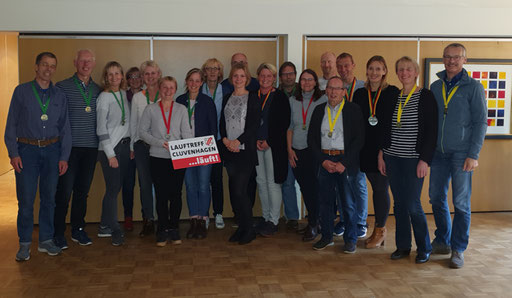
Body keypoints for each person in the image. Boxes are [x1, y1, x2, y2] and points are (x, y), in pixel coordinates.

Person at [5, 52, 71, 261]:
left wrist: (64, 157)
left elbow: (65, 129)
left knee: (49, 199)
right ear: (36, 67)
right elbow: (11, 125)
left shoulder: (59, 95)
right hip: (27, 151)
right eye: (44, 65)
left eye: (52, 66)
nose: (48, 69)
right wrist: (13, 153)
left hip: (52, 151)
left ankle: (45, 240)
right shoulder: (22, 91)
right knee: (25, 201)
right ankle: (24, 244)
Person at [429, 43, 487, 269]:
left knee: (461, 203)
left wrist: (474, 154)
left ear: (465, 60)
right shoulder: (435, 86)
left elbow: (481, 122)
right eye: (447, 57)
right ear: (443, 59)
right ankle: (442, 239)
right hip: (438, 153)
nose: (451, 61)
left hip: (462, 154)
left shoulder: (474, 87)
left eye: (456, 57)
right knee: (436, 198)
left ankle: (458, 248)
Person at [377, 56, 438, 264]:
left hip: (414, 160)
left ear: (416, 72)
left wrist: (425, 160)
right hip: (393, 157)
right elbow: (385, 128)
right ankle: (403, 246)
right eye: (400, 69)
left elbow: (431, 132)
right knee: (400, 204)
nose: (404, 73)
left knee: (413, 204)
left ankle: (424, 247)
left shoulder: (426, 96)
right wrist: (382, 153)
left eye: (408, 69)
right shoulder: (393, 96)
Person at [308, 76, 364, 253]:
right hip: (325, 161)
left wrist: (344, 163)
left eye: (337, 89)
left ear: (344, 92)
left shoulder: (353, 110)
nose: (333, 92)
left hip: (344, 162)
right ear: (326, 91)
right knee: (325, 203)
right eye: (330, 88)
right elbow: (312, 140)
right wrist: (323, 160)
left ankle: (350, 239)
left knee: (347, 203)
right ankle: (326, 237)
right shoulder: (318, 111)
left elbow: (359, 139)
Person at [53, 49, 101, 249]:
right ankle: (57, 233)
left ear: (94, 63)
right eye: (82, 61)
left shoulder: (99, 90)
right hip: (68, 150)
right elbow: (57, 119)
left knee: (82, 192)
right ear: (75, 63)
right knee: (64, 192)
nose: (85, 64)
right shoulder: (62, 87)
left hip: (91, 149)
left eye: (89, 61)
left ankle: (78, 229)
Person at [139, 76, 193, 247]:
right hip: (157, 157)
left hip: (178, 157)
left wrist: (182, 146)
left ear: (175, 89)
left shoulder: (182, 109)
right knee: (161, 195)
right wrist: (160, 143)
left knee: (176, 194)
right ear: (159, 89)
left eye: (171, 87)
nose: (168, 91)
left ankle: (174, 228)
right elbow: (142, 132)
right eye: (165, 87)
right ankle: (162, 229)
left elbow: (188, 134)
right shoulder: (150, 109)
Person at [353, 56, 399, 248]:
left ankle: (380, 230)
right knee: (367, 188)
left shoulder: (392, 92)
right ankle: (369, 228)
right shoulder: (360, 94)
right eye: (371, 68)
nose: (374, 72)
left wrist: (383, 151)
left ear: (384, 71)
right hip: (363, 148)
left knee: (380, 189)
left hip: (383, 149)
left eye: (378, 69)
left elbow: (391, 124)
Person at [219, 62, 261, 245]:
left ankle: (249, 229)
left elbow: (254, 125)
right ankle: (243, 228)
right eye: (235, 76)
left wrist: (238, 141)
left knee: (240, 190)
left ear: (247, 78)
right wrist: (226, 140)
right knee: (234, 192)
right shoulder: (227, 96)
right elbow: (222, 121)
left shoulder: (253, 97)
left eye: (242, 76)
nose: (238, 79)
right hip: (229, 151)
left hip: (245, 152)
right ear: (231, 78)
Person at [176, 68, 217, 239]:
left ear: (202, 82)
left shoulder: (207, 102)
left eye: (197, 80)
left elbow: (213, 128)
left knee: (203, 184)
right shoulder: (179, 100)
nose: (194, 84)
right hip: (185, 148)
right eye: (191, 80)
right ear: (186, 81)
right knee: (190, 185)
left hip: (203, 148)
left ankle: (203, 219)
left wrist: (212, 149)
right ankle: (193, 219)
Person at [287, 69, 326, 242]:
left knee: (315, 188)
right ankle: (314, 221)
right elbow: (289, 128)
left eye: (310, 79)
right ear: (299, 82)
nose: (306, 82)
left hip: (315, 150)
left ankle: (314, 222)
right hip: (296, 150)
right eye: (303, 80)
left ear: (316, 82)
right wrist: (289, 150)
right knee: (304, 187)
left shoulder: (323, 100)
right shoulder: (293, 100)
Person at [334, 52, 369, 238]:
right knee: (341, 183)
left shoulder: (363, 87)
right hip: (338, 143)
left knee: (358, 183)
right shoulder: (335, 88)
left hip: (358, 144)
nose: (343, 69)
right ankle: (344, 219)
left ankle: (361, 222)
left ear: (353, 65)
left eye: (346, 65)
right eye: (339, 66)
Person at [96, 61, 131, 247]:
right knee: (112, 189)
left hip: (124, 147)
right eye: (110, 74)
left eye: (117, 73)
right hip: (110, 149)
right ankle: (114, 228)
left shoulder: (123, 94)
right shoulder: (104, 97)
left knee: (115, 188)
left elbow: (126, 123)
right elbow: (101, 128)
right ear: (105, 77)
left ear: (122, 76)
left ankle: (103, 225)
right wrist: (110, 155)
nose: (114, 77)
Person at [254, 63, 290, 236]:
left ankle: (274, 220)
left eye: (269, 76)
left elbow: (283, 124)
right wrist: (255, 139)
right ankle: (265, 216)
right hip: (256, 144)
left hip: (272, 146)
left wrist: (269, 141)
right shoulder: (254, 95)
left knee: (272, 183)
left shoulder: (280, 97)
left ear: (274, 78)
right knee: (261, 182)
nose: (265, 79)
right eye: (262, 75)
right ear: (258, 77)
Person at [130, 60, 162, 237]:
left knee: (162, 183)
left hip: (162, 148)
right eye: (146, 74)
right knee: (144, 185)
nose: (150, 77)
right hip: (142, 147)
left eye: (153, 73)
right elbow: (134, 124)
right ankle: (148, 220)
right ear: (143, 77)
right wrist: (132, 146)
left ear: (159, 74)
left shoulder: (166, 94)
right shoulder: (137, 98)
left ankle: (163, 220)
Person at [201, 58, 230, 230]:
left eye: (216, 69)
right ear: (204, 72)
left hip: (219, 140)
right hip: (202, 142)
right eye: (209, 69)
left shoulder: (226, 90)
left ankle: (218, 213)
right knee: (202, 181)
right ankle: (203, 213)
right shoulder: (198, 89)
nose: (212, 72)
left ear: (220, 72)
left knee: (217, 179)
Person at [277, 61, 300, 230]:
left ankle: (316, 217)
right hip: (282, 143)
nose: (288, 76)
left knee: (309, 182)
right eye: (285, 74)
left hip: (304, 143)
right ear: (280, 77)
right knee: (287, 181)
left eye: (291, 73)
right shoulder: (275, 93)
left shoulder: (305, 89)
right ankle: (292, 217)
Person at [121, 66, 143, 231]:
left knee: (145, 184)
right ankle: (128, 216)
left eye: (138, 76)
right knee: (128, 184)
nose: (135, 79)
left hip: (143, 145)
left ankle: (147, 217)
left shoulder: (147, 95)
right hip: (127, 146)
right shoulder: (122, 96)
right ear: (127, 80)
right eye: (131, 77)